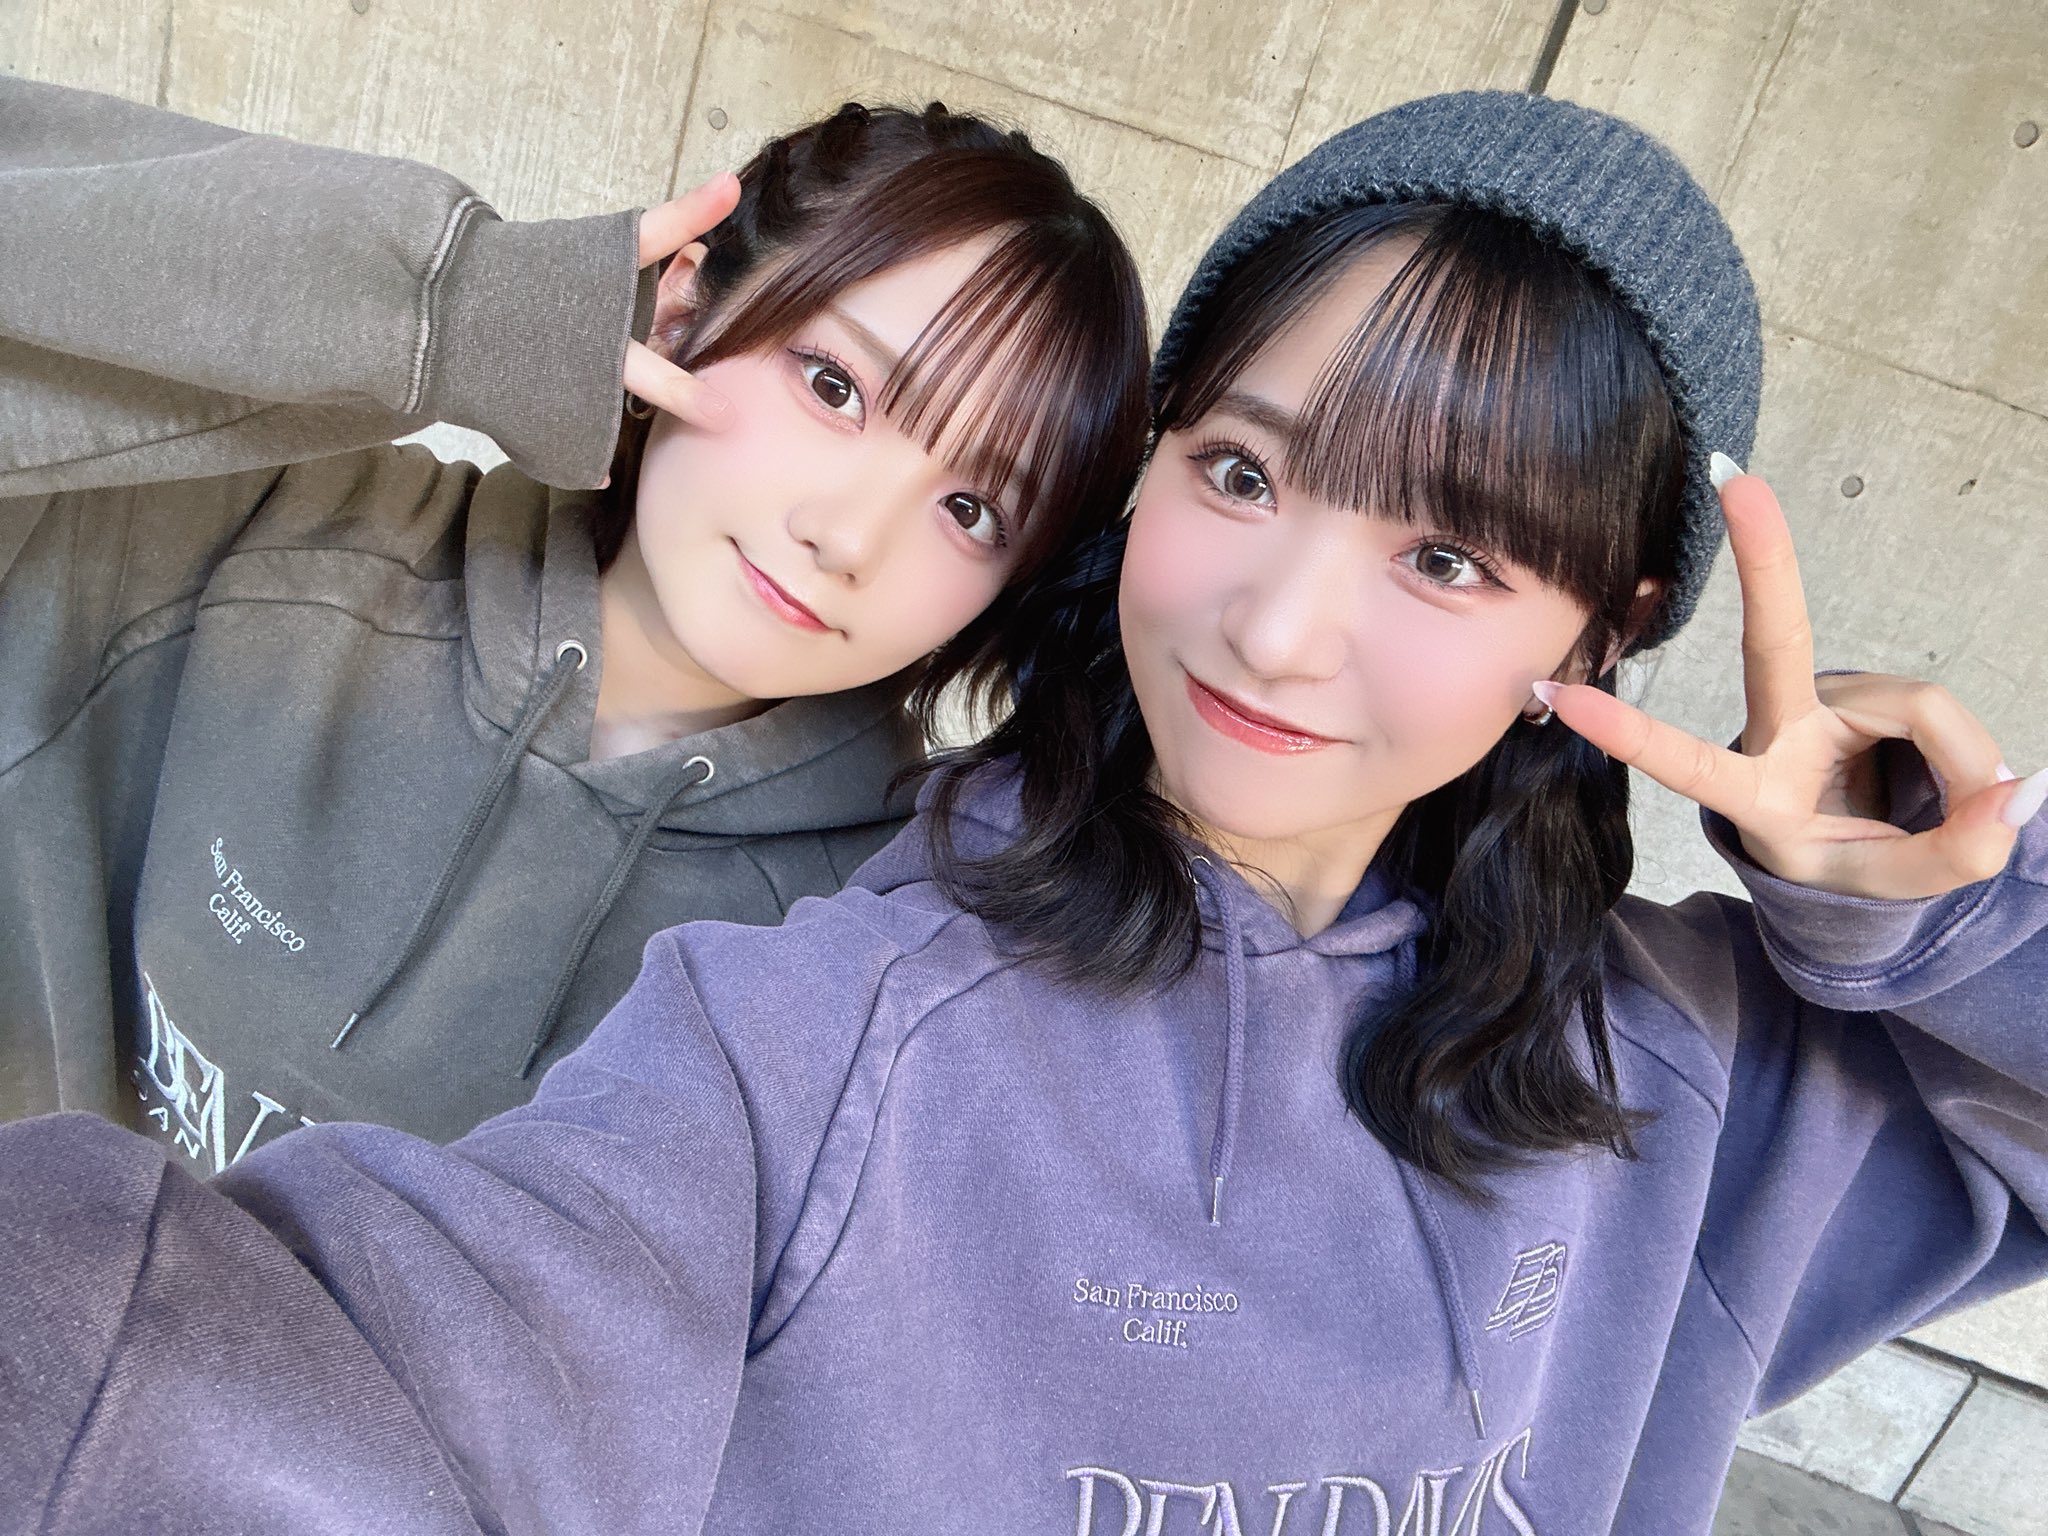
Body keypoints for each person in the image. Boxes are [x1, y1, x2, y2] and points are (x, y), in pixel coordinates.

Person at [4, 90, 2046, 1535]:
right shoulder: (826, 1032)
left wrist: (1943, 921)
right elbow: (367, 1387)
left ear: (1605, 627)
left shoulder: (1681, 1082)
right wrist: (469, 309)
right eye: (1242, 472)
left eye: (1446, 558)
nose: (1275, 631)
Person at [0, 80, 1148, 1160]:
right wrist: (454, 309)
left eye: (969, 508)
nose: (847, 538)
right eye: (834, 386)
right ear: (683, 309)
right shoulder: (275, 534)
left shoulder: (866, 936)